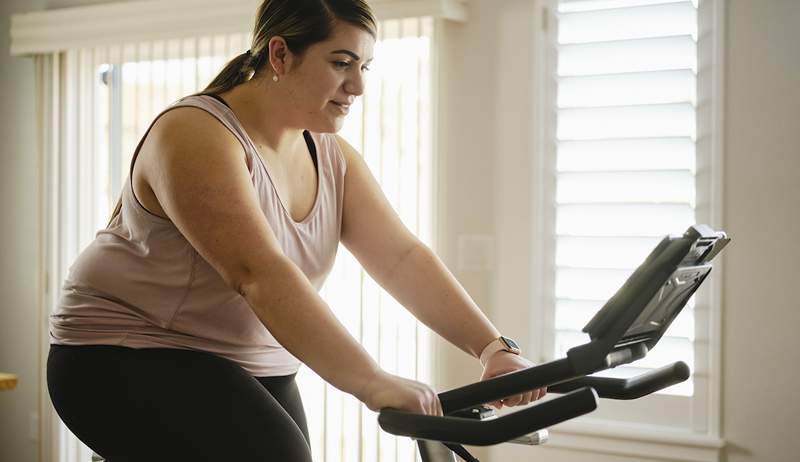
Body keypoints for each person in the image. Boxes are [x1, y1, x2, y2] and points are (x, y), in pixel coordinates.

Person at [46, 0, 545, 460]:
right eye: (341, 62)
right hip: (124, 352)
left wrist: (493, 348)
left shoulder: (331, 157)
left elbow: (400, 257)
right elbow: (258, 273)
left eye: (364, 66)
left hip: (247, 360)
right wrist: (372, 381)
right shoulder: (195, 134)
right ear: (280, 54)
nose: (358, 86)